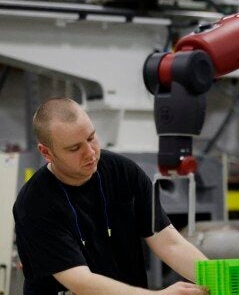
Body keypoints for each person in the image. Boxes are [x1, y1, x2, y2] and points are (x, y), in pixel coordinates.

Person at [13, 98, 209, 294]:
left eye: (91, 138)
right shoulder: (34, 205)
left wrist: (216, 280)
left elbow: (169, 243)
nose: (90, 153)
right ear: (46, 153)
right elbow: (80, 281)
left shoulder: (123, 172)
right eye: (74, 148)